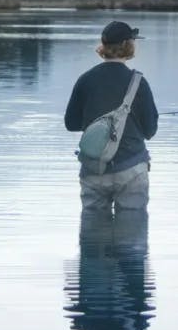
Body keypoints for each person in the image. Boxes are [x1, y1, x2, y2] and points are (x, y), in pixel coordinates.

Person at [64, 20, 159, 211]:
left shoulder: (85, 79)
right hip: (131, 168)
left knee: (93, 235)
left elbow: (71, 123)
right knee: (132, 234)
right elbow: (150, 130)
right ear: (127, 45)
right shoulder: (139, 82)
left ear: (104, 45)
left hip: (93, 169)